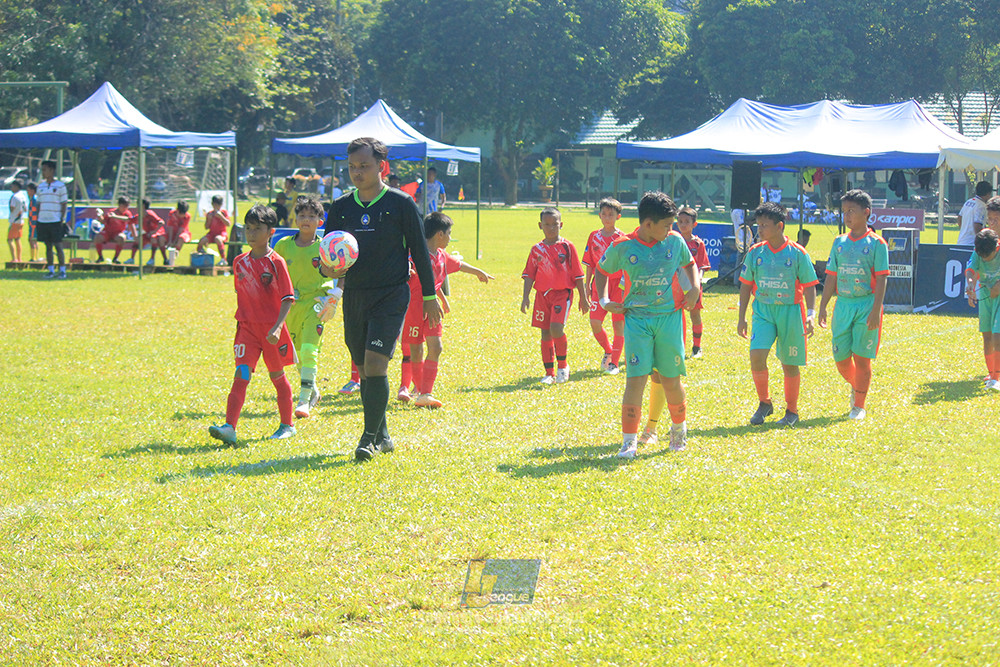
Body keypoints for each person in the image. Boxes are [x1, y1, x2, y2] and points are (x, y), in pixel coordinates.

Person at [319, 137, 442, 461]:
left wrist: (429, 296)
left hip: (391, 294)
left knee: (375, 364)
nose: (357, 173)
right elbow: (328, 256)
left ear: (381, 167)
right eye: (352, 167)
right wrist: (325, 267)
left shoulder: (401, 204)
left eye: (364, 166)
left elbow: (420, 251)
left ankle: (367, 439)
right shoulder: (342, 207)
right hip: (355, 295)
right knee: (363, 365)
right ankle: (384, 435)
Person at [596, 191, 699, 458]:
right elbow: (602, 270)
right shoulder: (623, 246)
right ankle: (629, 441)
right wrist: (604, 300)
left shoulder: (675, 242)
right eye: (666, 225)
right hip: (637, 320)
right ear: (648, 224)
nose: (671, 229)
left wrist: (694, 288)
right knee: (635, 380)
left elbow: (690, 264)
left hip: (669, 319)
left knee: (670, 379)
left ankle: (678, 431)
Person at [208, 204, 297, 445]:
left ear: (271, 232)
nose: (251, 234)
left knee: (277, 376)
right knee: (241, 373)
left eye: (257, 229)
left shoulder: (276, 262)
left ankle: (287, 425)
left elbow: (288, 298)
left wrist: (278, 327)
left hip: (271, 331)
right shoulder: (238, 262)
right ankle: (229, 427)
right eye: (248, 228)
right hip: (247, 329)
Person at [397, 211, 493, 407]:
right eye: (449, 233)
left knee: (436, 347)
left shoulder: (441, 255)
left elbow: (457, 265)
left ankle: (425, 392)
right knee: (415, 350)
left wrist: (478, 272)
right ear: (439, 234)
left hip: (433, 309)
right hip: (413, 308)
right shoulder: (413, 254)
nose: (450, 238)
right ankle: (418, 390)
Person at [737, 202, 819, 426]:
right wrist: (741, 316)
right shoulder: (755, 253)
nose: (760, 230)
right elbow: (745, 284)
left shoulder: (797, 253)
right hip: (763, 311)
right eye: (758, 225)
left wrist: (811, 314)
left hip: (791, 312)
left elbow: (810, 285)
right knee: (757, 356)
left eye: (764, 225)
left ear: (780, 226)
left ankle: (792, 411)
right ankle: (765, 403)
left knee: (789, 363)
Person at [817, 190, 889, 421]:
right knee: (841, 360)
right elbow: (831, 276)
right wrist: (823, 305)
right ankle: (858, 385)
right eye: (844, 211)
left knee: (862, 358)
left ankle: (858, 405)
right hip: (843, 305)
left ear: (866, 213)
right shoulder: (839, 242)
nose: (847, 216)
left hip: (866, 305)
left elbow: (882, 279)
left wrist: (876, 310)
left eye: (852, 211)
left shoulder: (877, 244)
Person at [274, 194, 333, 418]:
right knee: (297, 353)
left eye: (312, 216)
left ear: (321, 221)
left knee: (309, 350)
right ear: (295, 219)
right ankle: (314, 391)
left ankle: (303, 399)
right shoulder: (283, 246)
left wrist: (333, 296)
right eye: (301, 215)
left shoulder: (325, 246)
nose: (306, 219)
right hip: (290, 307)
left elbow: (340, 270)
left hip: (316, 304)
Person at [521, 207, 589, 384]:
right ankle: (549, 373)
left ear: (561, 225)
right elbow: (529, 274)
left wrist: (583, 297)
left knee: (556, 329)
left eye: (555, 224)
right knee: (545, 333)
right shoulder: (536, 249)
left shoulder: (567, 247)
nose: (551, 228)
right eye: (547, 224)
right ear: (540, 225)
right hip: (542, 296)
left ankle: (563, 366)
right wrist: (525, 297)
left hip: (562, 294)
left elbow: (578, 274)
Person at [582, 198, 626, 374]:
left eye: (611, 215)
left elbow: (626, 265)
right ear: (599, 215)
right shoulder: (594, 236)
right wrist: (587, 286)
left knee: (618, 325)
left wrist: (625, 285)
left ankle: (614, 363)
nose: (607, 218)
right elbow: (590, 263)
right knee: (595, 322)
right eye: (604, 214)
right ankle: (608, 350)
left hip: (618, 286)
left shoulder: (621, 238)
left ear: (618, 217)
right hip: (599, 284)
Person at [965, 228, 1000, 389]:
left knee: (997, 336)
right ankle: (991, 373)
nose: (984, 260)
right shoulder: (978, 252)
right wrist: (971, 284)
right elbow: (971, 270)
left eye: (989, 257)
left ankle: (997, 378)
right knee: (987, 335)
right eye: (982, 257)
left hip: (998, 296)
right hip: (986, 295)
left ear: (996, 248)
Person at [676, 206, 712, 358]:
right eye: (680, 221)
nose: (683, 225)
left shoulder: (698, 244)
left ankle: (696, 348)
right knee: (676, 316)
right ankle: (678, 346)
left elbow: (702, 265)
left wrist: (698, 282)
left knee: (695, 315)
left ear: (694, 224)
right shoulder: (673, 241)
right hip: (675, 285)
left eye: (687, 222)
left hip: (692, 285)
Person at [35, 159, 69, 278]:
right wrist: (38, 218)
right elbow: (38, 204)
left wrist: (62, 218)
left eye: (44, 170)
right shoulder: (41, 186)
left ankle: (63, 270)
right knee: (47, 246)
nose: (43, 172)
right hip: (43, 220)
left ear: (52, 170)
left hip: (55, 220)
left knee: (58, 246)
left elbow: (64, 203)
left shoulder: (60, 186)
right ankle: (51, 270)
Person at [93, 197, 134, 264]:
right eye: (124, 206)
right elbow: (103, 221)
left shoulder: (127, 213)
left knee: (122, 238)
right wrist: (100, 215)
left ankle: (115, 258)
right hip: (107, 232)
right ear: (119, 205)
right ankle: (100, 257)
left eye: (127, 206)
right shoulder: (112, 212)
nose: (125, 208)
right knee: (97, 237)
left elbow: (128, 220)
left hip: (118, 233)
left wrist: (115, 217)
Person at [129, 199, 167, 266]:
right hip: (148, 233)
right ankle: (132, 259)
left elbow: (161, 222)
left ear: (143, 206)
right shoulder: (139, 216)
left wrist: (154, 231)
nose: (136, 207)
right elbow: (130, 221)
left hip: (158, 233)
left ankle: (152, 259)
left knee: (153, 238)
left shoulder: (150, 213)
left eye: (138, 205)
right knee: (138, 239)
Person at [196, 195, 231, 265]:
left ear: (221, 205)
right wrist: (209, 219)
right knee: (202, 241)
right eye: (214, 205)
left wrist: (221, 217)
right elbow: (206, 227)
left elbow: (228, 224)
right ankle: (203, 258)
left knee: (218, 239)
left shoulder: (224, 212)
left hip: (221, 233)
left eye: (217, 205)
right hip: (212, 233)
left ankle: (223, 259)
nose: (215, 207)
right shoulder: (210, 213)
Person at [957, 181, 994, 246]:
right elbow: (977, 225)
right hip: (972, 243)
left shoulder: (969, 201)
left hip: (961, 241)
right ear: (988, 194)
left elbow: (959, 218)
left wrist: (965, 231)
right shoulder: (982, 206)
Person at [7, 179, 28, 262]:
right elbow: (26, 209)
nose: (11, 188)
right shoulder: (23, 196)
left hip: (14, 221)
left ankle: (14, 258)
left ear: (16, 186)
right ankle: (19, 258)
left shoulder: (14, 196)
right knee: (17, 239)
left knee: (10, 239)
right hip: (21, 220)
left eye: (12, 186)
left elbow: (12, 208)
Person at [25, 182, 39, 262]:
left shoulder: (34, 200)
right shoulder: (32, 199)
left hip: (34, 224)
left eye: (29, 190)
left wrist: (33, 223)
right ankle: (34, 256)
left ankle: (33, 258)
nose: (27, 192)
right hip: (32, 223)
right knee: (33, 239)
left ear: (33, 191)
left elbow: (34, 212)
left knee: (32, 239)